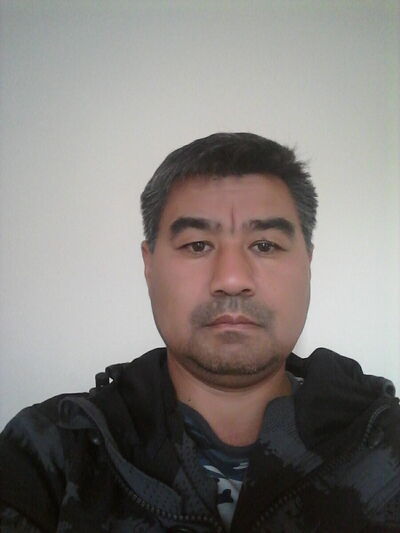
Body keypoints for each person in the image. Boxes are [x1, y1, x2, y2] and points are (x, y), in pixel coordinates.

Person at [1, 132, 399, 532]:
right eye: (197, 245)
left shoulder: (389, 445)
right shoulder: (48, 452)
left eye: (265, 245)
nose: (231, 279)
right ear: (149, 264)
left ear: (307, 263)